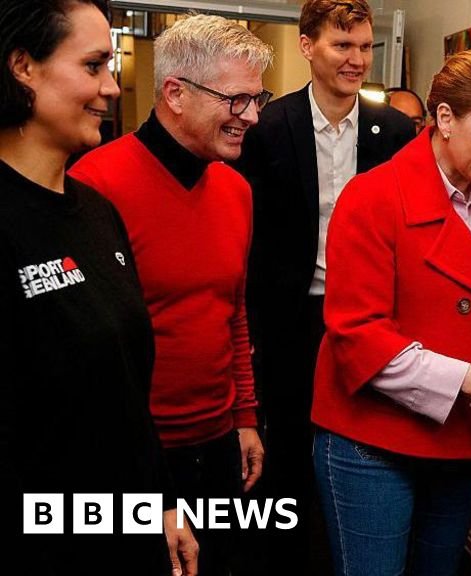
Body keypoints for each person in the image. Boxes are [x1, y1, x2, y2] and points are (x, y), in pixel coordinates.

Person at [311, 48, 471, 576]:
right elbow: (358, 336)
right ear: (446, 118)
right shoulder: (372, 198)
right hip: (371, 441)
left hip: (460, 441)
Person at [68, 13, 273, 576]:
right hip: (137, 453)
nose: (252, 116)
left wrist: (245, 417)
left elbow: (233, 313)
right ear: (176, 94)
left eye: (257, 99)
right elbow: (93, 352)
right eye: (236, 100)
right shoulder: (95, 186)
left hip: (220, 440)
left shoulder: (236, 190)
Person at [0, 1, 197, 574]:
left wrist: (162, 505)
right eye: (92, 66)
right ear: (23, 67)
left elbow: (127, 395)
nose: (111, 87)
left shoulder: (97, 212)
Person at [235, 2, 414, 569]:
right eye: (343, 46)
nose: (357, 59)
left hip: (370, 322)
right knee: (287, 453)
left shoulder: (395, 130)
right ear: (307, 46)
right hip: (291, 323)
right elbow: (248, 234)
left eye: (364, 47)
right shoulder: (268, 127)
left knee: (363, 452)